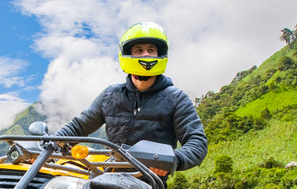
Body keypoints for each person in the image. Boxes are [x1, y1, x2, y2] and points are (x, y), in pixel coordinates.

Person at [55, 21, 208, 178]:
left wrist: (171, 160)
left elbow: (197, 142)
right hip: (108, 179)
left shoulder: (176, 99)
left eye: (151, 50)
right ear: (128, 54)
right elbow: (78, 127)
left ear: (159, 54)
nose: (146, 54)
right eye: (139, 50)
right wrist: (51, 145)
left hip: (150, 185)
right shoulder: (110, 95)